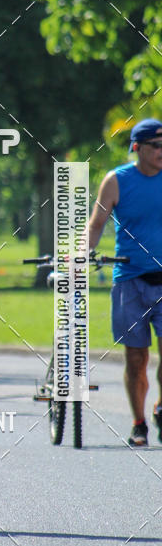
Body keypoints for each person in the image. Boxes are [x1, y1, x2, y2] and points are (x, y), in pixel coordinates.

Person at [89, 117, 162, 447]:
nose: (161, 151)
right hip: (130, 281)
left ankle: (161, 407)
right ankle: (139, 422)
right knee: (136, 359)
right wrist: (84, 253)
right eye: (155, 145)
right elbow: (96, 224)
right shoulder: (116, 180)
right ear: (137, 148)